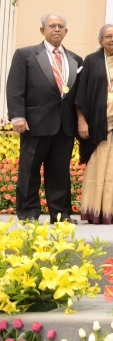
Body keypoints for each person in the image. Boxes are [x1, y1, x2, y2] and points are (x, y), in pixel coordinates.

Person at [6, 14, 82, 223]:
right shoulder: (26, 55)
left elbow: (77, 95)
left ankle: (60, 215)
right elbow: (15, 88)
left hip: (64, 126)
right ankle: (29, 213)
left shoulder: (75, 59)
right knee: (29, 170)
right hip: (34, 123)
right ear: (43, 30)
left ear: (66, 31)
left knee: (59, 172)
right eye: (52, 26)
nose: (56, 29)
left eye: (60, 26)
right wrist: (18, 116)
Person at [74, 24, 113, 224]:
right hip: (96, 126)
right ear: (101, 40)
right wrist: (82, 121)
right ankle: (94, 210)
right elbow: (80, 94)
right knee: (97, 168)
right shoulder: (91, 61)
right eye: (108, 36)